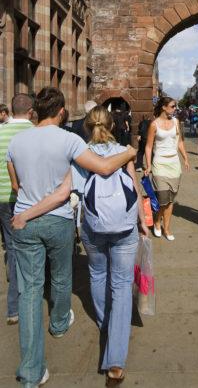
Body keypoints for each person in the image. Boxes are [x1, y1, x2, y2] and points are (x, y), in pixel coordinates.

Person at [6, 87, 137, 388]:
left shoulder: (16, 140)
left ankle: (31, 372)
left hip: (24, 219)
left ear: (35, 111)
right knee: (63, 278)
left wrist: (25, 211)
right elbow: (95, 172)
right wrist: (130, 151)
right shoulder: (69, 140)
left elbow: (16, 185)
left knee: (29, 293)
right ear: (62, 112)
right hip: (58, 219)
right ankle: (60, 323)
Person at [73, 106, 149, 386]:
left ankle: (107, 325)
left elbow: (76, 190)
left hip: (93, 226)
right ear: (112, 126)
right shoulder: (123, 151)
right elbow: (135, 186)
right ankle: (115, 360)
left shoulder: (80, 153)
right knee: (121, 283)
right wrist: (143, 222)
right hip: (124, 226)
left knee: (97, 275)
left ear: (86, 127)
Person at [0, 94, 34, 325]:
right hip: (25, 197)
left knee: (11, 245)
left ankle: (13, 305)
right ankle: (16, 306)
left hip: (1, 196)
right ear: (31, 111)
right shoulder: (36, 133)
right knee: (26, 250)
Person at [144, 97, 190, 241]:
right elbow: (149, 146)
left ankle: (167, 228)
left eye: (175, 106)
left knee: (170, 199)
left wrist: (186, 158)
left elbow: (180, 141)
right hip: (159, 164)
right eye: (172, 106)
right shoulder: (154, 124)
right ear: (164, 107)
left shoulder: (176, 122)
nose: (175, 108)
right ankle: (158, 221)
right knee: (163, 198)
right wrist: (148, 164)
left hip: (174, 163)